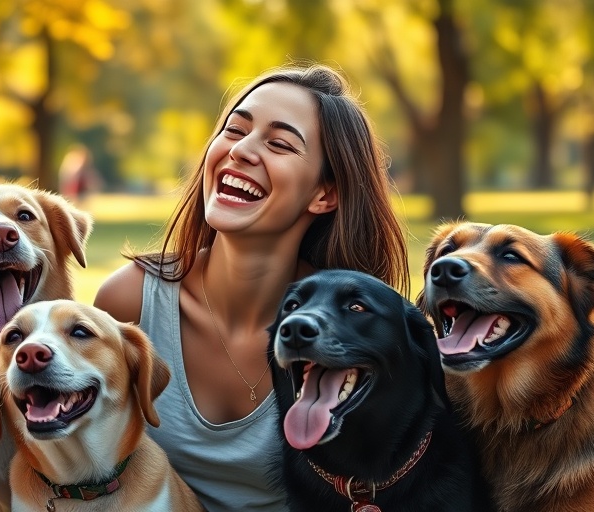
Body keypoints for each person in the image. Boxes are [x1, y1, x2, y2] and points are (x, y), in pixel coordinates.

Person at [94, 63, 409, 511]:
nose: (241, 150)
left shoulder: (359, 335)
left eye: (279, 143)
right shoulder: (128, 302)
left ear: (325, 194)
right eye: (234, 130)